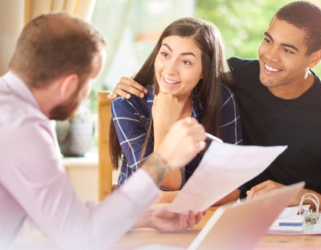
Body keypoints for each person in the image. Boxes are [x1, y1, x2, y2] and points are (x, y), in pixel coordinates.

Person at [110, 1, 321, 212]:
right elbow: (178, 72)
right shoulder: (236, 77)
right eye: (268, 40)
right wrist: (140, 83)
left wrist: (300, 195)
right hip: (228, 216)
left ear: (314, 59)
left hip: (301, 224)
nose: (270, 56)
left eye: (287, 50)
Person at [0, 13, 207, 250]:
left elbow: (58, 218)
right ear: (68, 84)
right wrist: (161, 162)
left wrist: (147, 216)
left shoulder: (12, 110)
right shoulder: (23, 128)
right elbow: (81, 237)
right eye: (90, 82)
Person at [109, 17, 242, 203]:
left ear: (205, 70)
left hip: (200, 217)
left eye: (186, 62)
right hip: (139, 220)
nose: (170, 70)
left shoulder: (220, 99)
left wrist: (167, 198)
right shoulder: (127, 103)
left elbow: (232, 189)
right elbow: (163, 184)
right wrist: (164, 124)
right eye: (165, 54)